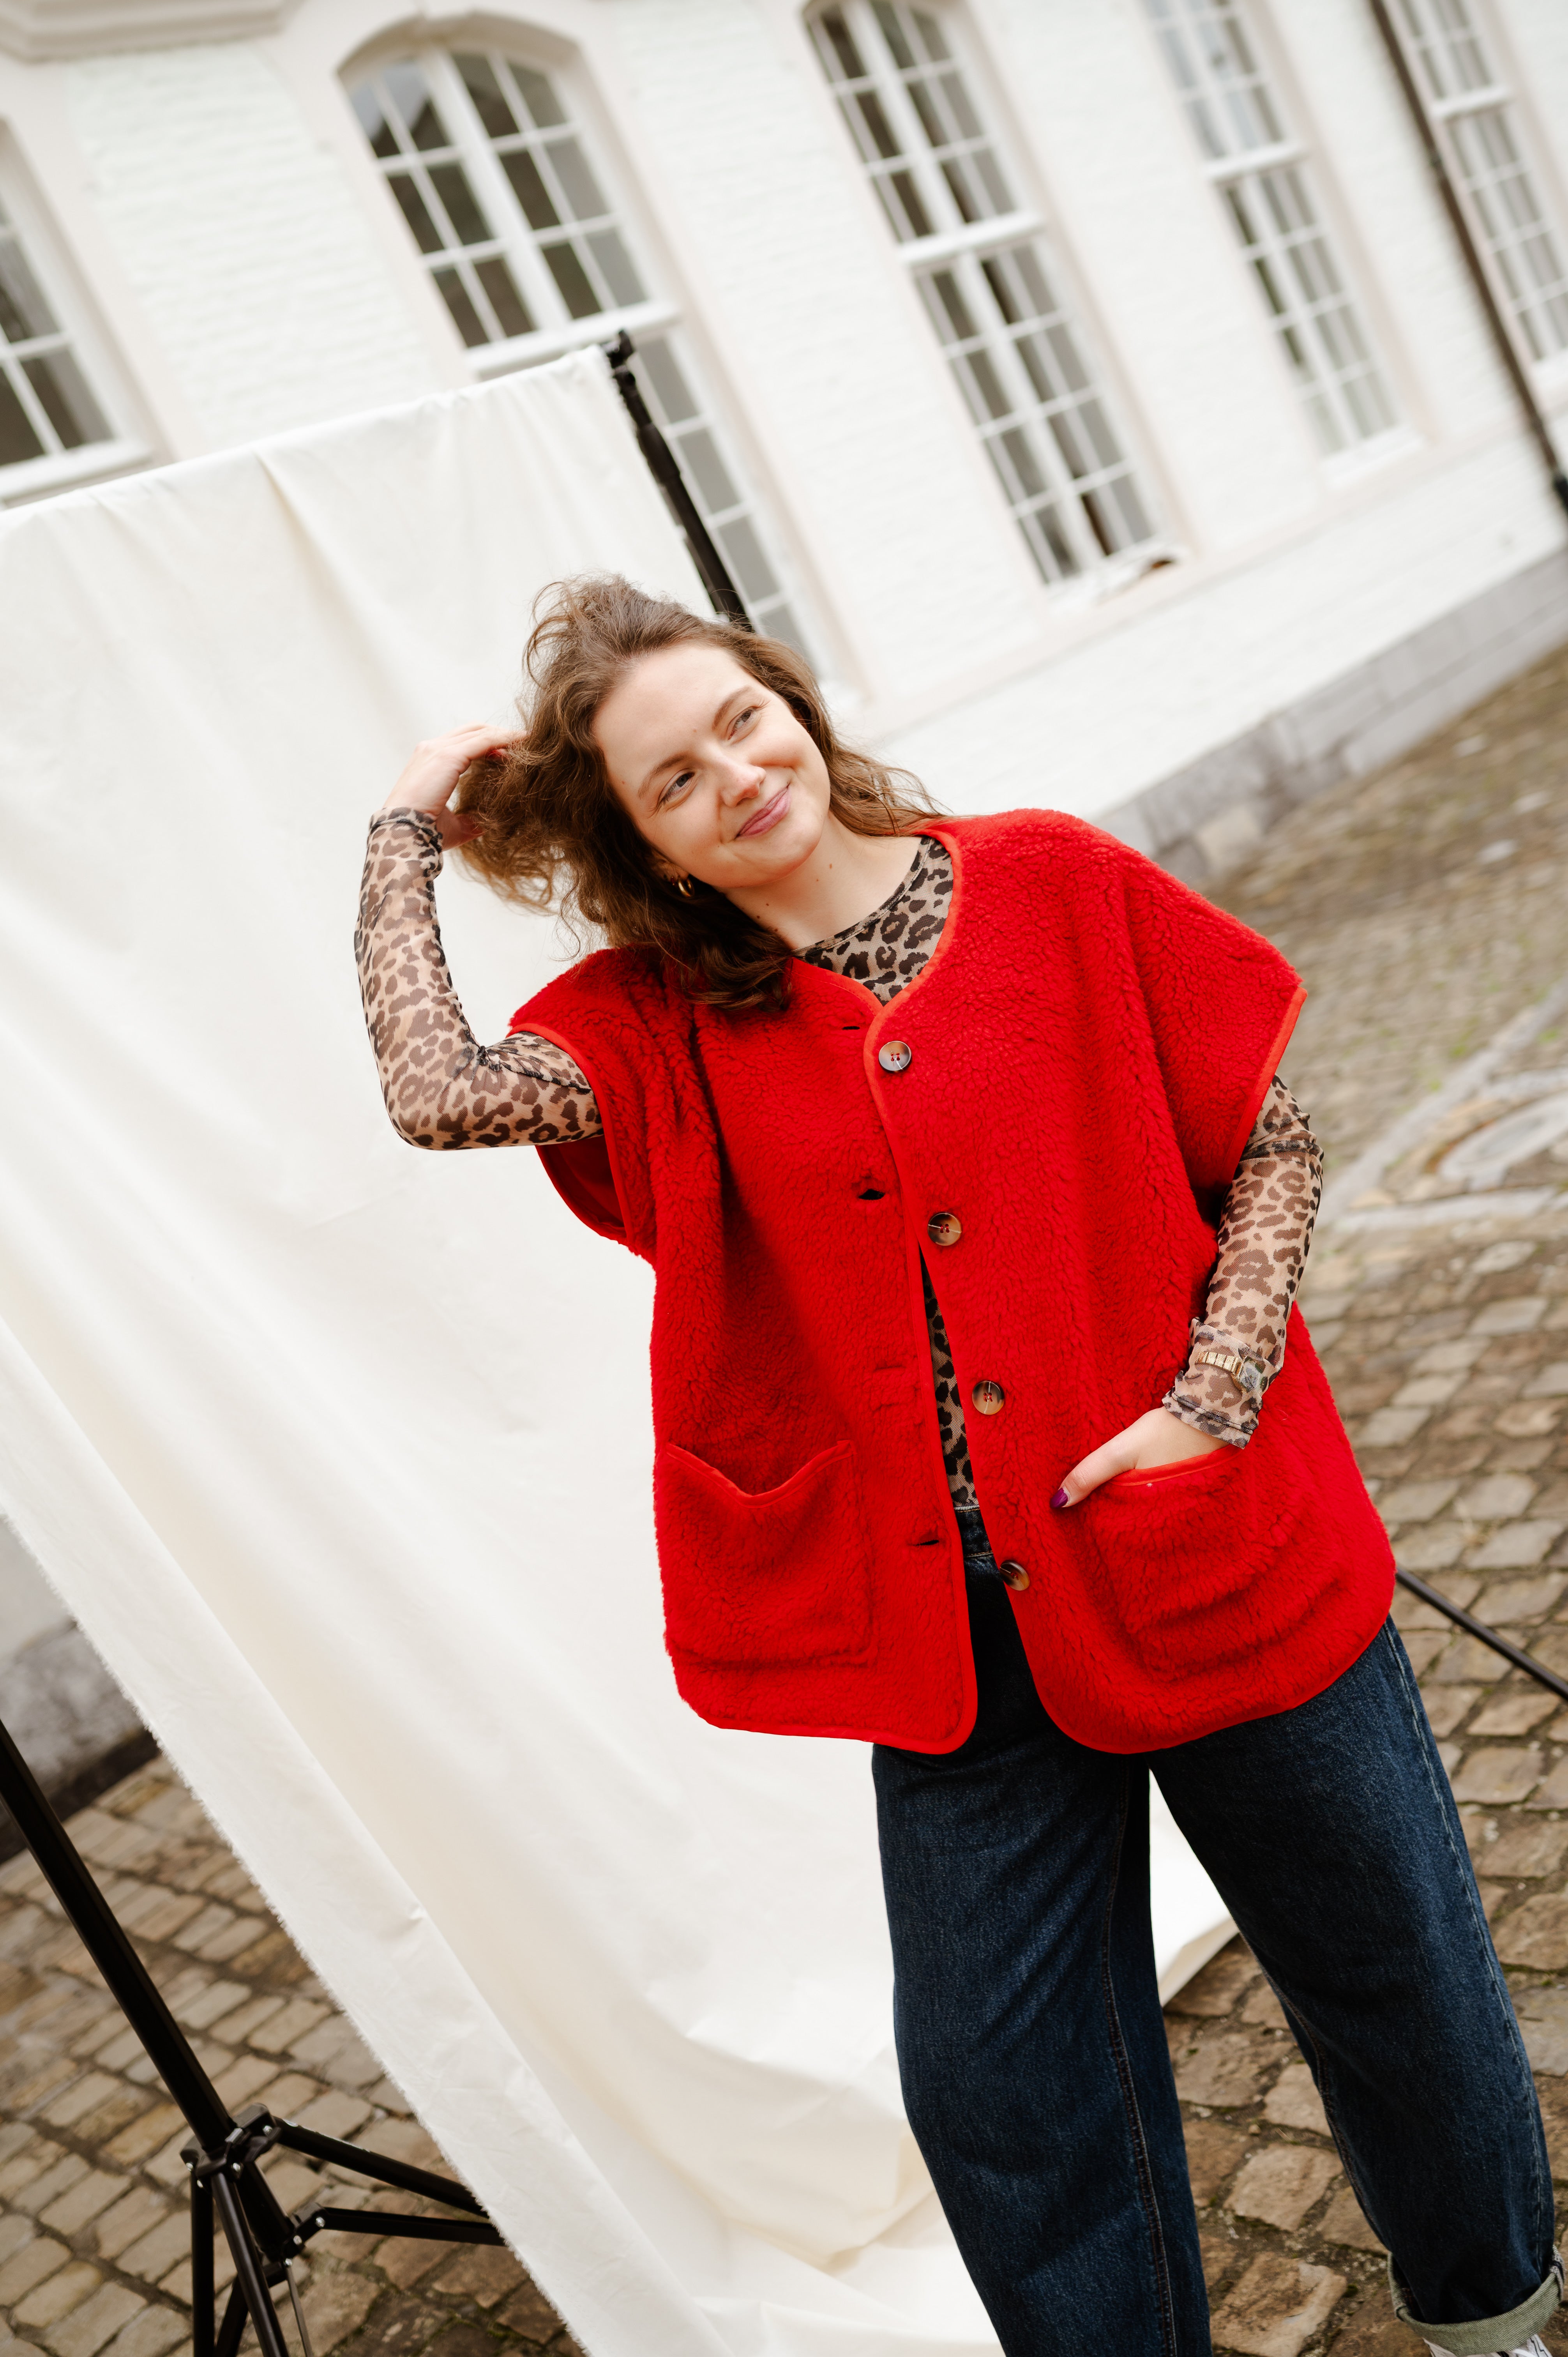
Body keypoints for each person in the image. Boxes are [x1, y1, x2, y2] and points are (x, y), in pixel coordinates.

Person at [355, 575, 1556, 2357]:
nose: (734, 778)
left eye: (740, 721)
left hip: (1212, 1544)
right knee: (1003, 2092)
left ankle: (1490, 2325)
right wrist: (403, 834)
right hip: (955, 1642)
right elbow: (437, 1091)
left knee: (1394, 1975)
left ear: (792, 702)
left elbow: (1272, 1144)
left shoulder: (1054, 885)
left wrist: (1212, 1398)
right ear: (644, 845)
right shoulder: (656, 1023)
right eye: (672, 780)